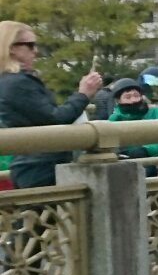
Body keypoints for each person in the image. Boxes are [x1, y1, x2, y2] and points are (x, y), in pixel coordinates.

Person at [0, 21, 105, 189]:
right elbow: (55, 118)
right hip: (40, 167)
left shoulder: (8, 81)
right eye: (30, 45)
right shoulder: (18, 83)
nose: (35, 51)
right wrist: (83, 93)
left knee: (35, 214)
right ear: (11, 47)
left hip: (29, 165)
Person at [105, 78, 158, 174]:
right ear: (118, 100)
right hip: (127, 161)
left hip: (156, 160)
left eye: (136, 96)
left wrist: (146, 150)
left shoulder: (156, 112)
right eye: (128, 97)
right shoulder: (115, 118)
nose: (133, 100)